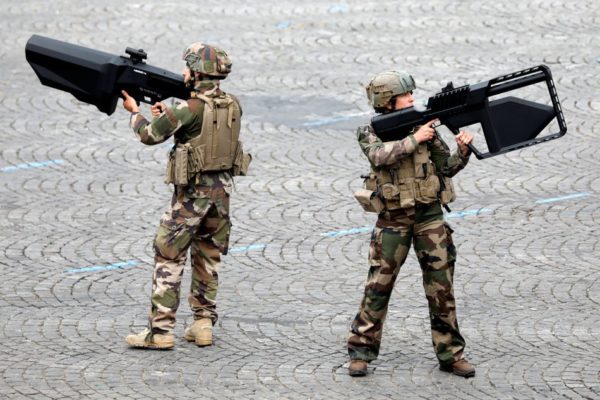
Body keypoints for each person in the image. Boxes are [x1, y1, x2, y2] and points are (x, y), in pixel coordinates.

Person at [122, 42, 251, 350]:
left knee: (168, 254)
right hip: (221, 196)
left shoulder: (186, 108)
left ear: (196, 72)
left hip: (192, 198)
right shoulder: (233, 104)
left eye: (186, 67)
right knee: (208, 254)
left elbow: (149, 135)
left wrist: (134, 114)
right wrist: (168, 114)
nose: (182, 72)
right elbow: (203, 129)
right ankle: (203, 324)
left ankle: (160, 331)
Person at [347, 71, 475, 377]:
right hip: (393, 220)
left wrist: (464, 151)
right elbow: (379, 156)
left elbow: (446, 166)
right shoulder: (370, 131)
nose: (412, 99)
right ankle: (361, 350)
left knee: (441, 287)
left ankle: (451, 354)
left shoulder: (425, 127)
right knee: (378, 286)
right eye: (407, 95)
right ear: (388, 101)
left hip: (429, 216)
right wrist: (414, 139)